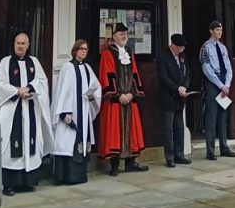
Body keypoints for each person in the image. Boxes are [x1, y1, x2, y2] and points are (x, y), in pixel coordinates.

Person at [0, 32, 54, 197]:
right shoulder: (5, 62)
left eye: (23, 43)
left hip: (29, 108)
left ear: (28, 45)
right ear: (14, 44)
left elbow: (42, 81)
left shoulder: (34, 62)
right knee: (9, 145)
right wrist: (16, 91)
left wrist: (29, 88)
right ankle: (8, 184)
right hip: (11, 109)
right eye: (17, 43)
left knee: (29, 143)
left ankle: (27, 182)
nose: (20, 46)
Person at [98, 22, 148, 175]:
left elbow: (134, 74)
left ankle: (130, 162)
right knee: (115, 133)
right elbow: (107, 75)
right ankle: (114, 165)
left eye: (125, 33)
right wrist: (118, 95)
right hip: (116, 101)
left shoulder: (129, 51)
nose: (124, 36)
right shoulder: (108, 53)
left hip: (129, 98)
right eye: (121, 34)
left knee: (131, 131)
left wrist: (132, 93)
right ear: (113, 37)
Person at [50, 40, 102, 185]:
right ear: (75, 50)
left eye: (86, 49)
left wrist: (92, 96)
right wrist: (65, 112)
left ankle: (78, 176)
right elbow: (63, 90)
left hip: (83, 111)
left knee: (80, 142)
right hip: (70, 112)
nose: (84, 51)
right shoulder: (68, 67)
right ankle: (63, 176)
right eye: (81, 49)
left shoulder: (87, 68)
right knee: (66, 142)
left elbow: (96, 87)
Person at [200, 20, 235, 160]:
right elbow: (206, 69)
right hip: (212, 84)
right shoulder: (206, 47)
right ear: (211, 31)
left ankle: (224, 146)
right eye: (216, 30)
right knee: (212, 117)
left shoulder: (222, 48)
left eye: (220, 30)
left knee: (223, 116)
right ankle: (210, 150)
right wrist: (220, 85)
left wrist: (227, 84)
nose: (219, 33)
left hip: (223, 82)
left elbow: (228, 67)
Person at [158, 33, 193, 168]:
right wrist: (176, 88)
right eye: (180, 47)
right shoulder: (163, 57)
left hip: (180, 98)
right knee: (168, 129)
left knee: (179, 127)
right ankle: (170, 157)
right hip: (168, 97)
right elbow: (163, 77)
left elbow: (187, 73)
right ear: (173, 45)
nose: (182, 50)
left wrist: (184, 86)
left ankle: (180, 154)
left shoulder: (182, 57)